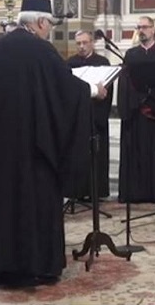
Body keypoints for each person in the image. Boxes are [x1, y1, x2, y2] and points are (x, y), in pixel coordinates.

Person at [0, 0, 107, 287]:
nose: (49, 30)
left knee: (6, 204)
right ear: (39, 22)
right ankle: (40, 266)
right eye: (49, 25)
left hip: (1, 149)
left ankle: (4, 269)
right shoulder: (41, 50)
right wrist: (93, 91)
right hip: (35, 148)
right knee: (36, 204)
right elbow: (65, 88)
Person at [118, 16, 155, 203]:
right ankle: (135, 192)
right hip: (135, 112)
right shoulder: (131, 55)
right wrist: (137, 102)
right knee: (135, 153)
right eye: (139, 27)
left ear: (153, 30)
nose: (141, 30)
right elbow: (125, 84)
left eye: (144, 27)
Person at [66, 30, 113, 199]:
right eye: (78, 43)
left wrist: (101, 113)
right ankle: (78, 191)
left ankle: (97, 191)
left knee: (98, 155)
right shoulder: (70, 64)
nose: (82, 46)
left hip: (97, 114)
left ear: (92, 43)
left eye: (85, 43)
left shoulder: (102, 62)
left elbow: (108, 92)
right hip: (78, 116)